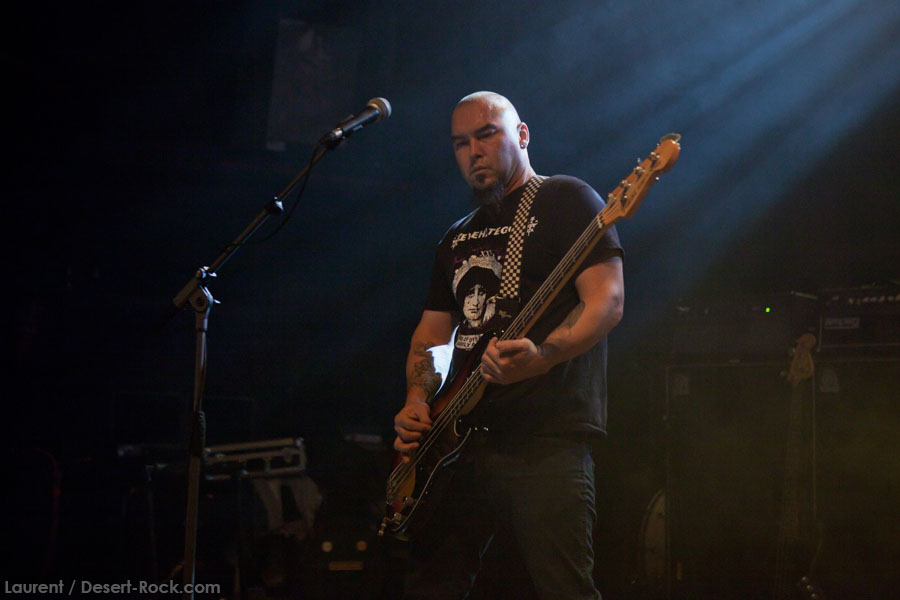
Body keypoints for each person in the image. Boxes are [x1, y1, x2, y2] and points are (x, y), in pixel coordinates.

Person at [392, 91, 625, 599]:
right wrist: (416, 400)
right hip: (458, 444)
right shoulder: (456, 236)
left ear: (521, 135)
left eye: (486, 134)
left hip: (545, 440)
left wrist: (545, 357)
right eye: (460, 143)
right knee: (433, 586)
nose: (473, 151)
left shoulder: (566, 199)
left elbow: (607, 302)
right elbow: (432, 336)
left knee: (564, 588)